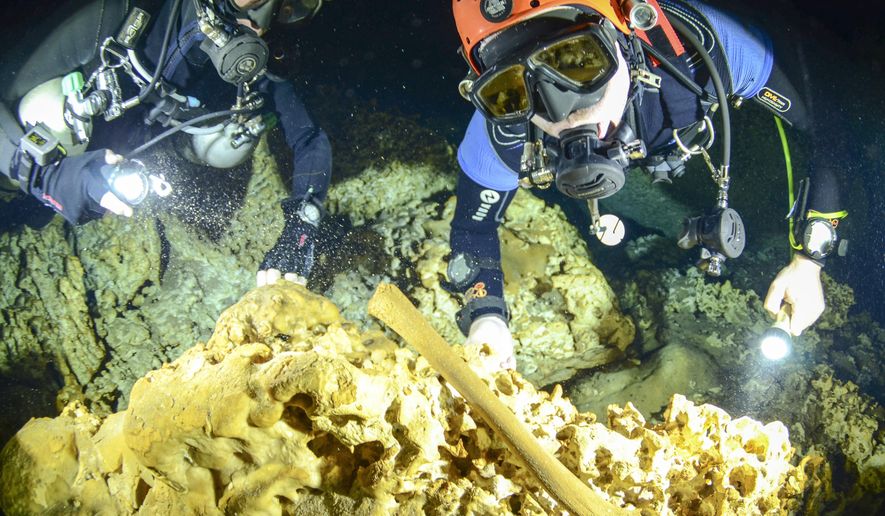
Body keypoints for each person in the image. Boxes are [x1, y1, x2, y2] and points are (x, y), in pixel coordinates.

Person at [447, 0, 847, 368]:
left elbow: (823, 133)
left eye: (578, 61)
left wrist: (809, 261)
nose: (562, 115)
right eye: (515, 90)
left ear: (623, 30)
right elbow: (473, 228)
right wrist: (487, 317)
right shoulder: (503, 128)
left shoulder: (702, 52)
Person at [0, 0, 331, 287]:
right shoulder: (118, 15)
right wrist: (46, 177)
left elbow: (309, 138)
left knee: (234, 140)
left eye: (284, 8)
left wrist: (300, 232)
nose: (260, 18)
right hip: (20, 165)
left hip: (120, 164)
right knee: (48, 115)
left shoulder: (254, 69)